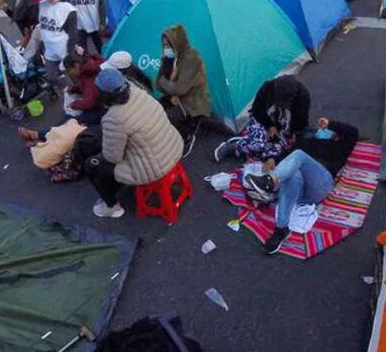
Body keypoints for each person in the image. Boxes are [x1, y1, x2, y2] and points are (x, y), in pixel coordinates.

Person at [83, 69, 184, 218]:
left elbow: (113, 158)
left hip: (154, 168)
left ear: (105, 95)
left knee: (92, 164)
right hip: (173, 146)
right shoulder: (140, 94)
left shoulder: (114, 118)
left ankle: (112, 206)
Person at [243, 149, 336, 254]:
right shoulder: (305, 134)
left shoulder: (343, 135)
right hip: (299, 192)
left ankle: (269, 185)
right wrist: (273, 159)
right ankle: (281, 228)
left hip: (320, 182)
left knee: (299, 154)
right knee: (293, 173)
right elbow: (288, 153)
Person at [214, 75, 311, 163]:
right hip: (263, 121)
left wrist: (287, 135)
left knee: (275, 152)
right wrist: (270, 126)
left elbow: (301, 124)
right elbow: (257, 111)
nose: (281, 104)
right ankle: (234, 146)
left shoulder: (302, 97)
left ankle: (248, 145)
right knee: (259, 144)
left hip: (283, 130)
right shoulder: (267, 88)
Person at [156, 25, 210, 153]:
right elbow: (157, 84)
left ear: (177, 42)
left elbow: (179, 89)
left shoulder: (192, 58)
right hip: (175, 96)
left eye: (168, 45)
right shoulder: (169, 58)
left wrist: (166, 83)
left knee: (169, 116)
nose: (166, 49)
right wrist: (168, 85)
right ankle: (171, 135)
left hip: (194, 100)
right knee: (155, 109)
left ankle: (187, 136)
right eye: (164, 45)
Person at [37, 0, 78, 89]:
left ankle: (76, 90)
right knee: (51, 76)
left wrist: (70, 51)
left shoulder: (68, 9)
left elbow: (73, 32)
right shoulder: (42, 5)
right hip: (49, 50)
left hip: (64, 50)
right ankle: (60, 90)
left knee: (72, 76)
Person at [63, 52, 105, 125]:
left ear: (76, 66)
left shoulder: (89, 76)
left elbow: (89, 102)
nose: (70, 73)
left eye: (69, 70)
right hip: (103, 101)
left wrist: (73, 104)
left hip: (101, 109)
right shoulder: (91, 68)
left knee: (72, 121)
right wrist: (74, 89)